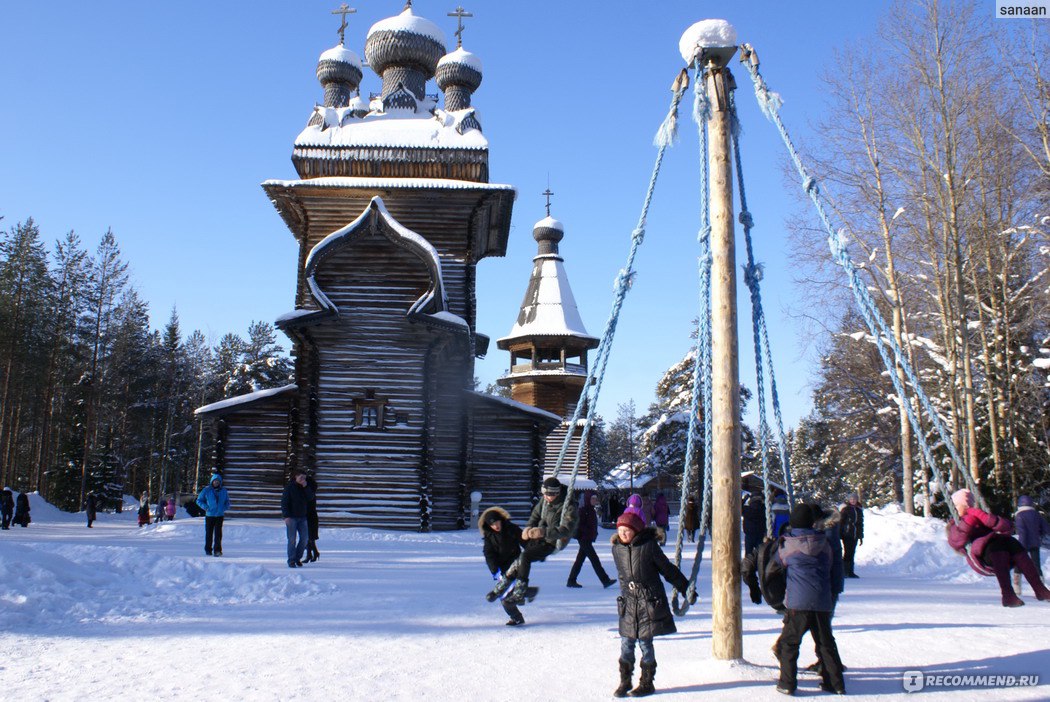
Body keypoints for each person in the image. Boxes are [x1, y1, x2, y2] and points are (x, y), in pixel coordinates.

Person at [610, 511, 693, 698]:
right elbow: (623, 576)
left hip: (648, 602)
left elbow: (668, 570)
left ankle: (647, 682)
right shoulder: (617, 549)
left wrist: (685, 589)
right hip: (629, 604)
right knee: (626, 643)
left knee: (645, 643)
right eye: (621, 530)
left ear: (636, 531)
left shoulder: (649, 547)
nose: (623, 534)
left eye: (627, 531)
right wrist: (625, 595)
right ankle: (625, 681)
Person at [774, 504, 846, 696]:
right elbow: (832, 562)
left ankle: (787, 683)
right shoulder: (824, 543)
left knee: (790, 643)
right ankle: (836, 683)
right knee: (825, 642)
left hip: (798, 603)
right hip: (822, 601)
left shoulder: (788, 544)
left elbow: (778, 562)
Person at [947, 489, 1050, 607]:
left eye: (968, 505)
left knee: (1012, 542)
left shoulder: (980, 516)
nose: (966, 508)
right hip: (982, 555)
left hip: (1000, 548)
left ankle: (1039, 589)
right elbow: (956, 541)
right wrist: (969, 519)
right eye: (963, 506)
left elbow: (1007, 527)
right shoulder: (954, 524)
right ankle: (1008, 595)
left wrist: (984, 517)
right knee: (997, 545)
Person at [490, 476, 578, 603]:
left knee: (525, 557)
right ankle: (504, 585)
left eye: (549, 495)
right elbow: (535, 515)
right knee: (520, 559)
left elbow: (567, 529)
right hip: (537, 537)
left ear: (557, 493)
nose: (546, 497)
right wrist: (528, 528)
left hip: (552, 542)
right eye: (545, 494)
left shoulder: (569, 506)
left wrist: (543, 532)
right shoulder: (545, 501)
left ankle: (520, 591)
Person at [480, 506, 528, 626]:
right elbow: (489, 554)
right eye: (492, 524)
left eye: (497, 522)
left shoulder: (512, 529)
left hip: (517, 564)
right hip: (503, 570)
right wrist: (494, 570)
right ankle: (517, 616)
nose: (496, 526)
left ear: (501, 520)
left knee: (507, 596)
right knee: (505, 597)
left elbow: (525, 542)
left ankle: (522, 596)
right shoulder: (489, 536)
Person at [567, 493, 616, 589]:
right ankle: (605, 580)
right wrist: (588, 531)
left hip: (587, 538)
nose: (595, 500)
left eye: (595, 499)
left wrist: (592, 533)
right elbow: (579, 525)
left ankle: (571, 580)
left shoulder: (590, 510)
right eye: (593, 499)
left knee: (579, 560)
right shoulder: (583, 510)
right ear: (587, 500)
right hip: (583, 538)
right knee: (594, 560)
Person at [1014, 495, 1048, 593]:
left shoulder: (1019, 515)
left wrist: (1021, 546)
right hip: (1035, 543)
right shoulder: (1036, 514)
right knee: (1036, 565)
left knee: (1019, 564)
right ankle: (1041, 588)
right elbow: (1046, 528)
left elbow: (1022, 532)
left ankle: (1017, 588)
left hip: (1022, 544)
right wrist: (1039, 533)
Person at [281, 469, 314, 568]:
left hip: (302, 517)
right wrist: (286, 516)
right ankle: (291, 560)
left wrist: (306, 487)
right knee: (292, 539)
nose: (302, 479)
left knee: (304, 539)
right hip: (291, 517)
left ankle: (297, 558)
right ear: (296, 477)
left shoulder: (305, 487)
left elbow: (311, 498)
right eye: (301, 477)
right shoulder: (289, 488)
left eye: (304, 477)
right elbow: (284, 502)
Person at [195, 474, 230, 556]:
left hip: (219, 516)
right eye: (214, 481)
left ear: (220, 482)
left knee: (218, 534)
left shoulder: (224, 491)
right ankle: (208, 549)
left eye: (218, 481)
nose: (216, 483)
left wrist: (223, 508)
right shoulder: (207, 490)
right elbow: (199, 500)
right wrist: (206, 507)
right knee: (209, 534)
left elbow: (227, 502)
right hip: (210, 515)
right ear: (212, 481)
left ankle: (217, 550)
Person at [840, 493, 863, 578]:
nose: (853, 501)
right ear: (849, 500)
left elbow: (860, 524)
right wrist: (840, 534)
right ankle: (845, 571)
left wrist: (860, 536)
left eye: (854, 499)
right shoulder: (845, 509)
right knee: (847, 553)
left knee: (852, 553)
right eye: (851, 499)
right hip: (847, 534)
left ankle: (850, 571)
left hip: (855, 535)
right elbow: (841, 522)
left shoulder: (859, 510)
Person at [742, 491, 767, 555]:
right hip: (760, 535)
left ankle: (748, 564)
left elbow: (739, 507)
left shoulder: (747, 509)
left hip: (749, 535)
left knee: (748, 555)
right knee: (760, 555)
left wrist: (744, 499)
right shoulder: (763, 508)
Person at [304, 475, 320, 563]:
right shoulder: (311, 490)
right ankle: (313, 553)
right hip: (310, 514)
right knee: (309, 536)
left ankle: (310, 554)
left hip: (309, 514)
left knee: (308, 536)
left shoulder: (309, 492)